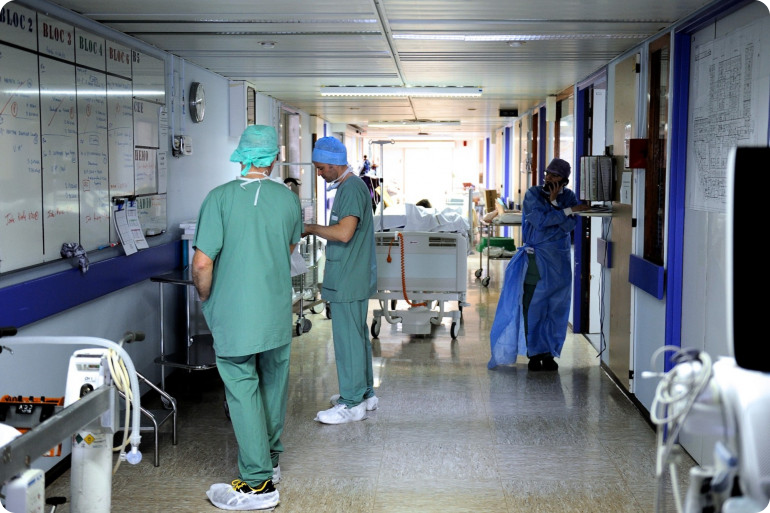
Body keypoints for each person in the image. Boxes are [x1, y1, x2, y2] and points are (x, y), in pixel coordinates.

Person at [192, 125, 302, 511]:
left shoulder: (219, 199)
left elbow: (202, 262)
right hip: (274, 311)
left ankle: (256, 485)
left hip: (236, 313)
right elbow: (287, 248)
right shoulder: (289, 200)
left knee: (242, 389)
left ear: (240, 157)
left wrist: (207, 298)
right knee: (273, 385)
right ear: (273, 158)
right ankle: (270, 463)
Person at [302, 136, 378, 424]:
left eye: (321, 168)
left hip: (349, 277)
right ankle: (365, 393)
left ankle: (351, 403)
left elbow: (344, 233)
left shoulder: (351, 189)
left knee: (347, 340)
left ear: (335, 164)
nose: (319, 174)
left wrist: (309, 228)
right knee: (356, 338)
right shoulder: (353, 187)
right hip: (352, 275)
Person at [487, 158, 589, 372]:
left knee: (556, 309)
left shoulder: (569, 197)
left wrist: (556, 211)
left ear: (564, 180)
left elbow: (569, 226)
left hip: (559, 260)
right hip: (537, 259)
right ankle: (534, 353)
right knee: (533, 307)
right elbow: (540, 223)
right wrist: (559, 209)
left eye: (555, 175)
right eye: (547, 174)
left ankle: (550, 353)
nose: (549, 178)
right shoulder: (533, 194)